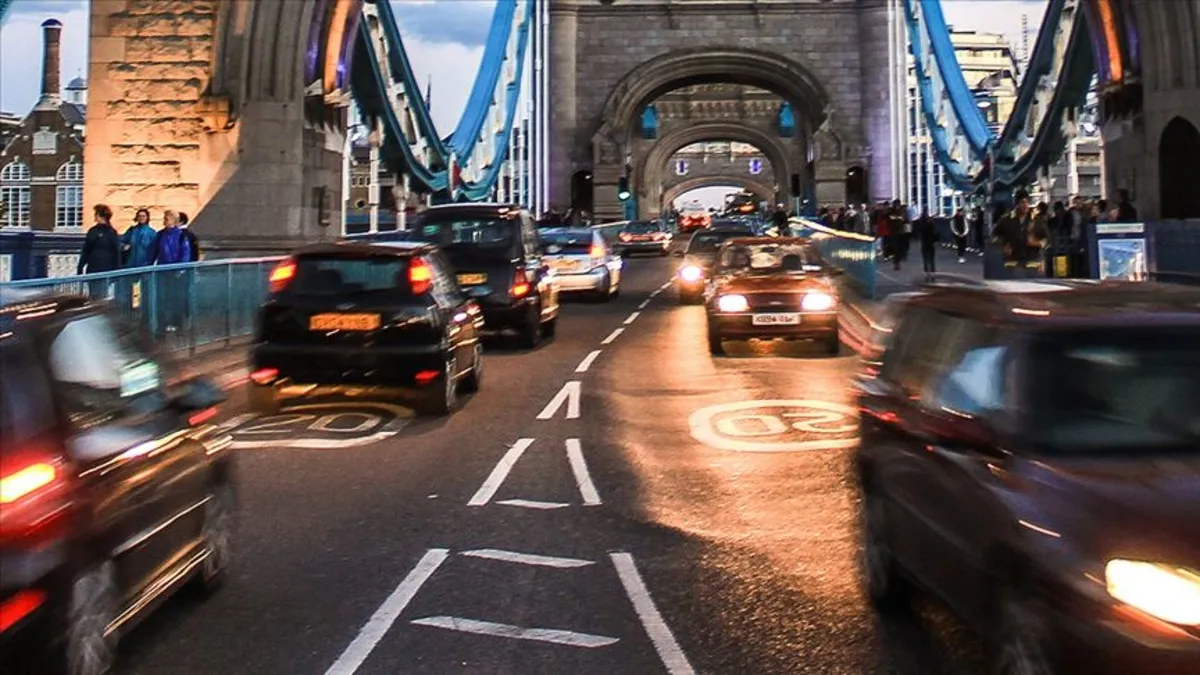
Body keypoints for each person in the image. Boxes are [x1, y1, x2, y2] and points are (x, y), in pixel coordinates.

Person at [155, 210, 192, 333]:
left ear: (174, 221)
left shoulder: (181, 236)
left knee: (177, 299)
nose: (164, 221)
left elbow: (185, 254)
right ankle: (164, 323)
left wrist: (180, 269)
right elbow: (154, 252)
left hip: (176, 274)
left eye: (167, 218)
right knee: (164, 299)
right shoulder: (160, 235)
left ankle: (178, 324)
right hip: (163, 272)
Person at [914, 207, 939, 280]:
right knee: (931, 259)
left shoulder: (921, 223)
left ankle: (927, 274)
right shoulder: (931, 222)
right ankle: (933, 274)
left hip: (924, 242)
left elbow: (919, 230)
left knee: (925, 259)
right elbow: (935, 232)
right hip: (931, 242)